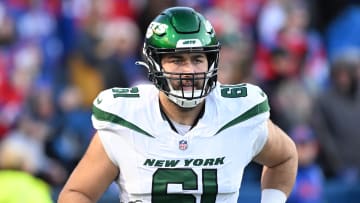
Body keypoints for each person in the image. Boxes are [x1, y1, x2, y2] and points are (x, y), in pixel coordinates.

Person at [58, 6, 298, 203]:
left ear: (211, 62)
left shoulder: (238, 112)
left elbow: (285, 158)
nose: (189, 71)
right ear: (155, 64)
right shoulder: (128, 117)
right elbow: (78, 193)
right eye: (176, 59)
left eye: (197, 59)